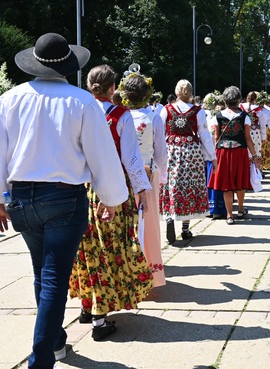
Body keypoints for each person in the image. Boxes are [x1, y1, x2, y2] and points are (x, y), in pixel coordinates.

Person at [0, 33, 127, 368]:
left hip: (23, 197)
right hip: (64, 196)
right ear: (68, 66)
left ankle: (55, 343)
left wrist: (0, 196)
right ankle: (42, 359)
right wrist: (111, 197)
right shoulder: (82, 102)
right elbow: (101, 155)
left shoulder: (11, 98)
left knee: (42, 272)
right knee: (54, 277)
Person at [69, 64, 154, 341]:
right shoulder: (120, 115)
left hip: (82, 187)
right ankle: (99, 318)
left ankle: (87, 304)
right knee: (112, 248)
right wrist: (141, 188)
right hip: (114, 188)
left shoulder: (77, 110)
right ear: (111, 88)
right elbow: (130, 158)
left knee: (88, 247)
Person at [120, 72, 169, 287]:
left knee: (126, 222)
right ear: (147, 94)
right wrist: (163, 176)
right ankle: (150, 271)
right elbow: (161, 151)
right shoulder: (153, 117)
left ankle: (127, 269)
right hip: (148, 172)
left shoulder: (119, 115)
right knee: (148, 223)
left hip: (122, 174)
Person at [160, 80, 216, 244]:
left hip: (172, 150)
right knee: (190, 186)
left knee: (172, 184)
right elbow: (205, 135)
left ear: (176, 93)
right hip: (191, 151)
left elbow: (159, 131)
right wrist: (212, 156)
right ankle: (185, 228)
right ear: (190, 93)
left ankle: (170, 215)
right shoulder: (198, 112)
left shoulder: (166, 110)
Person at [208, 86, 259, 225]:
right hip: (239, 152)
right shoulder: (244, 116)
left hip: (222, 152)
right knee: (240, 181)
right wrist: (254, 155)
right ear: (238, 100)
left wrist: (213, 155)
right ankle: (241, 209)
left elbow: (216, 138)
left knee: (226, 184)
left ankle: (229, 215)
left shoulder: (217, 116)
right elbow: (248, 138)